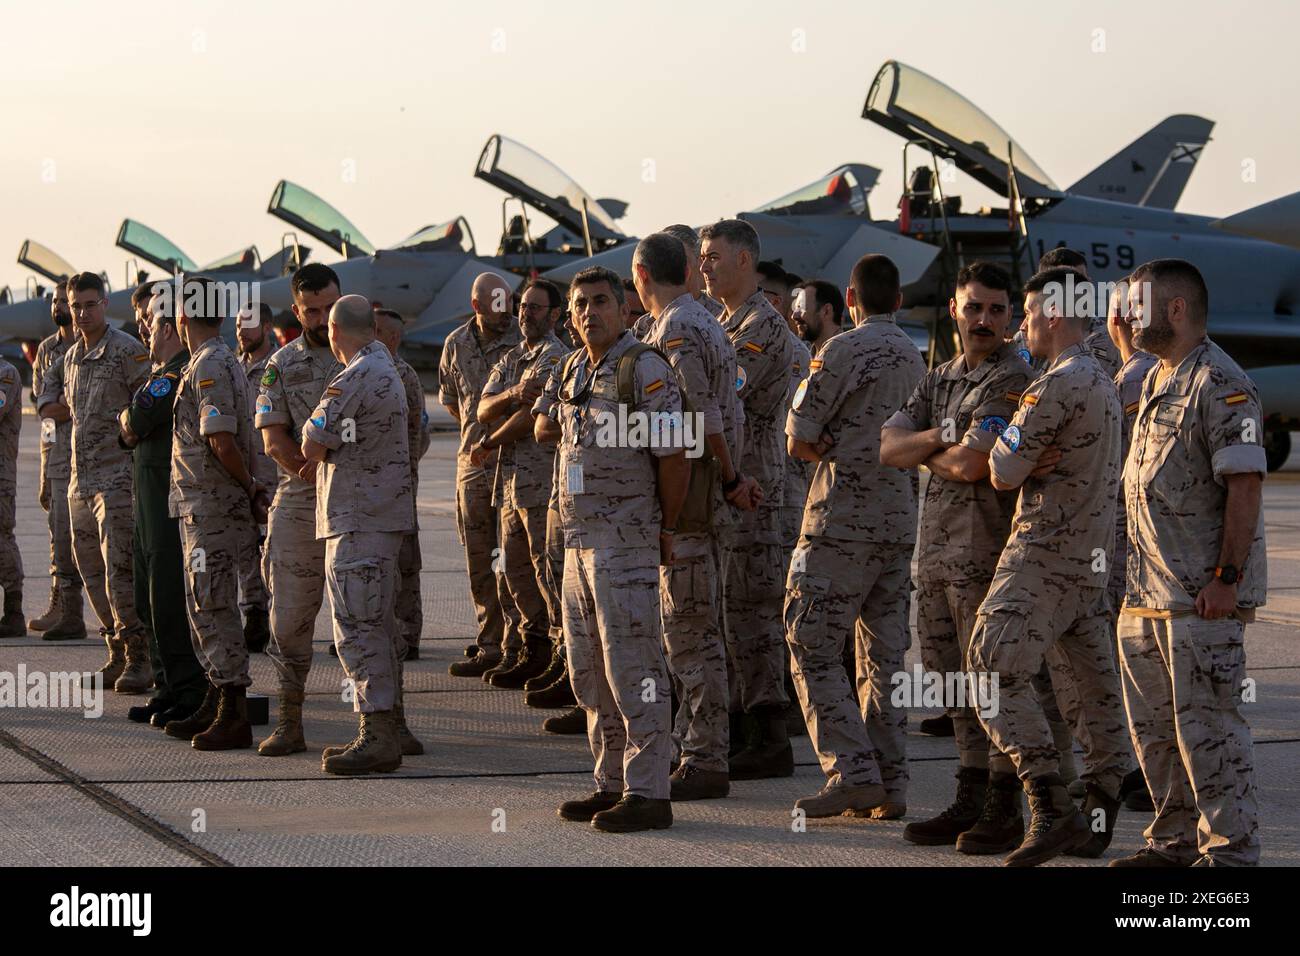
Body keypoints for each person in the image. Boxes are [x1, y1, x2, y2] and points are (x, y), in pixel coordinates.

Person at [971, 266, 1132, 867]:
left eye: (1031, 311)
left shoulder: (1055, 384)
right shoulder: (1102, 378)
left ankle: (1050, 804)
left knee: (988, 666)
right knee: (1090, 688)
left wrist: (1018, 458)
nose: (1023, 323)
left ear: (1055, 315)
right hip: (1087, 559)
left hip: (1044, 554)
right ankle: (1102, 800)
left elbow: (1002, 470)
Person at [1111, 259, 1265, 868]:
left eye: (1137, 304)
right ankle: (1172, 844)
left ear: (1175, 310)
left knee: (1210, 736)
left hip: (1200, 600)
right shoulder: (1157, 378)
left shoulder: (1221, 382)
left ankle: (1230, 857)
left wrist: (1226, 580)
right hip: (1145, 595)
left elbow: (1246, 483)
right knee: (1156, 738)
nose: (1125, 314)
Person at [880, 261, 1035, 849]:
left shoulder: (1011, 379)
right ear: (954, 310)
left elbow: (975, 463)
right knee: (950, 688)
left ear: (1012, 318)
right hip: (938, 557)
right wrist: (938, 442)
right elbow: (886, 446)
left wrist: (924, 448)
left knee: (990, 686)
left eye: (997, 310)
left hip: (985, 559)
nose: (984, 320)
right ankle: (967, 796)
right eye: (974, 308)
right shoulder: (938, 376)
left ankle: (1003, 805)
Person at [539, 266, 688, 832]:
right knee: (588, 673)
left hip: (625, 541)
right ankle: (610, 783)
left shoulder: (643, 367)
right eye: (579, 305)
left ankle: (650, 791)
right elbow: (552, 429)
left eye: (600, 302)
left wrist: (665, 528)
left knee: (634, 668)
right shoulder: (576, 366)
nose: (588, 313)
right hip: (578, 541)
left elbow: (675, 454)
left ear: (625, 307)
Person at [783, 253, 924, 818]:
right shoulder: (916, 357)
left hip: (841, 522)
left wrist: (844, 457)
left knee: (810, 641)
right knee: (884, 657)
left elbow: (798, 437)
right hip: (898, 520)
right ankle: (890, 783)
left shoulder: (839, 350)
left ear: (849, 297)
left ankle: (850, 770)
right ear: (897, 301)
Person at [633, 233, 751, 801]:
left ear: (640, 276)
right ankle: (696, 748)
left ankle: (706, 758)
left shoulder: (677, 329)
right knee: (691, 628)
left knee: (691, 633)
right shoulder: (699, 321)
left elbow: (701, 421)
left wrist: (729, 480)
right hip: (699, 500)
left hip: (694, 505)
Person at [303, 295, 415, 775]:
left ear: (334, 330)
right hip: (378, 518)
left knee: (359, 628)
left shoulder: (356, 375)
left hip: (358, 519)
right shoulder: (386, 368)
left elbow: (311, 440)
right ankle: (388, 729)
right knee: (378, 625)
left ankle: (376, 735)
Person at [700, 219, 795, 780]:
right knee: (731, 612)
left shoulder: (761, 327)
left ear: (744, 261)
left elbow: (722, 392)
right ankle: (740, 724)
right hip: (731, 492)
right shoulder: (728, 324)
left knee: (754, 614)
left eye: (714, 256)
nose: (705, 265)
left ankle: (769, 735)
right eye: (702, 256)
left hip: (755, 493)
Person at [39, 271, 151, 692]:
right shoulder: (67, 358)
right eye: (75, 306)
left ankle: (140, 656)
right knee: (89, 571)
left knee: (119, 571)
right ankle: (115, 650)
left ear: (105, 305)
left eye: (89, 304)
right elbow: (51, 407)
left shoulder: (128, 352)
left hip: (117, 480)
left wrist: (127, 440)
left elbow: (150, 408)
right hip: (78, 482)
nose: (82, 313)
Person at [163, 277, 263, 751]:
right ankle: (215, 695)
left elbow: (220, 440)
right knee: (203, 603)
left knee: (214, 604)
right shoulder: (214, 361)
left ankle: (233, 712)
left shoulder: (209, 366)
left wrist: (248, 485)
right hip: (202, 506)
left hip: (213, 508)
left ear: (182, 317)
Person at [254, 263, 343, 756]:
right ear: (297, 310)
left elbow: (406, 436)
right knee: (288, 618)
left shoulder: (375, 361)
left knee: (368, 618)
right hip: (301, 502)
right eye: (313, 310)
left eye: (331, 308)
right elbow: (273, 439)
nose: (323, 318)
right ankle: (290, 720)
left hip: (361, 504)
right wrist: (319, 473)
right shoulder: (280, 365)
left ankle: (385, 722)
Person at [118, 289, 207, 727]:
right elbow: (129, 428)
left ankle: (189, 690)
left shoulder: (172, 376)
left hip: (167, 507)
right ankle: (167, 686)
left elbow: (133, 422)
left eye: (151, 324)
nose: (145, 331)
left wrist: (128, 421)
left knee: (168, 599)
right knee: (146, 598)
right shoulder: (163, 373)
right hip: (148, 504)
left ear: (169, 328)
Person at [474, 279, 568, 690]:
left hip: (541, 482)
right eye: (522, 306)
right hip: (511, 482)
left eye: (534, 307)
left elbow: (533, 416)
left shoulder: (556, 357)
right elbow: (482, 408)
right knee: (513, 569)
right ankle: (535, 648)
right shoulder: (513, 358)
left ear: (554, 315)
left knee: (548, 571)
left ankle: (562, 657)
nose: (525, 313)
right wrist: (513, 392)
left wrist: (492, 439)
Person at [441, 272, 522, 678]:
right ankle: (489, 643)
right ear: (476, 306)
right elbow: (453, 402)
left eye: (506, 301)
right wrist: (477, 435)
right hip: (473, 467)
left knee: (513, 558)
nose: (503, 310)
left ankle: (519, 644)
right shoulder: (456, 344)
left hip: (514, 464)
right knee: (480, 557)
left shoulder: (524, 340)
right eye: (493, 303)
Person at [27, 278, 86, 640]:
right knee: (59, 536)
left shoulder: (91, 345)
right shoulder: (47, 350)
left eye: (65, 300)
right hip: (59, 459)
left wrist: (67, 406)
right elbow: (45, 412)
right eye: (55, 301)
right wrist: (47, 467)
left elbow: (91, 406)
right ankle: (64, 608)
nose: (59, 307)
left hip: (91, 456)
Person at [374, 308, 430, 672]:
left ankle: (407, 636)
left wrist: (404, 466)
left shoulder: (404, 376)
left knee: (405, 563)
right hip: (370, 487)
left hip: (398, 484)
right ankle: (378, 635)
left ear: (393, 338)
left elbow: (420, 433)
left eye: (378, 330)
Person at [235, 302, 277, 652]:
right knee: (246, 552)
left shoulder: (283, 366)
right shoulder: (232, 368)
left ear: (267, 327)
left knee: (277, 553)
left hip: (275, 475)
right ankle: (255, 614)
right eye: (237, 325)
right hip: (243, 476)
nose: (241, 331)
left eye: (248, 325)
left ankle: (282, 620)